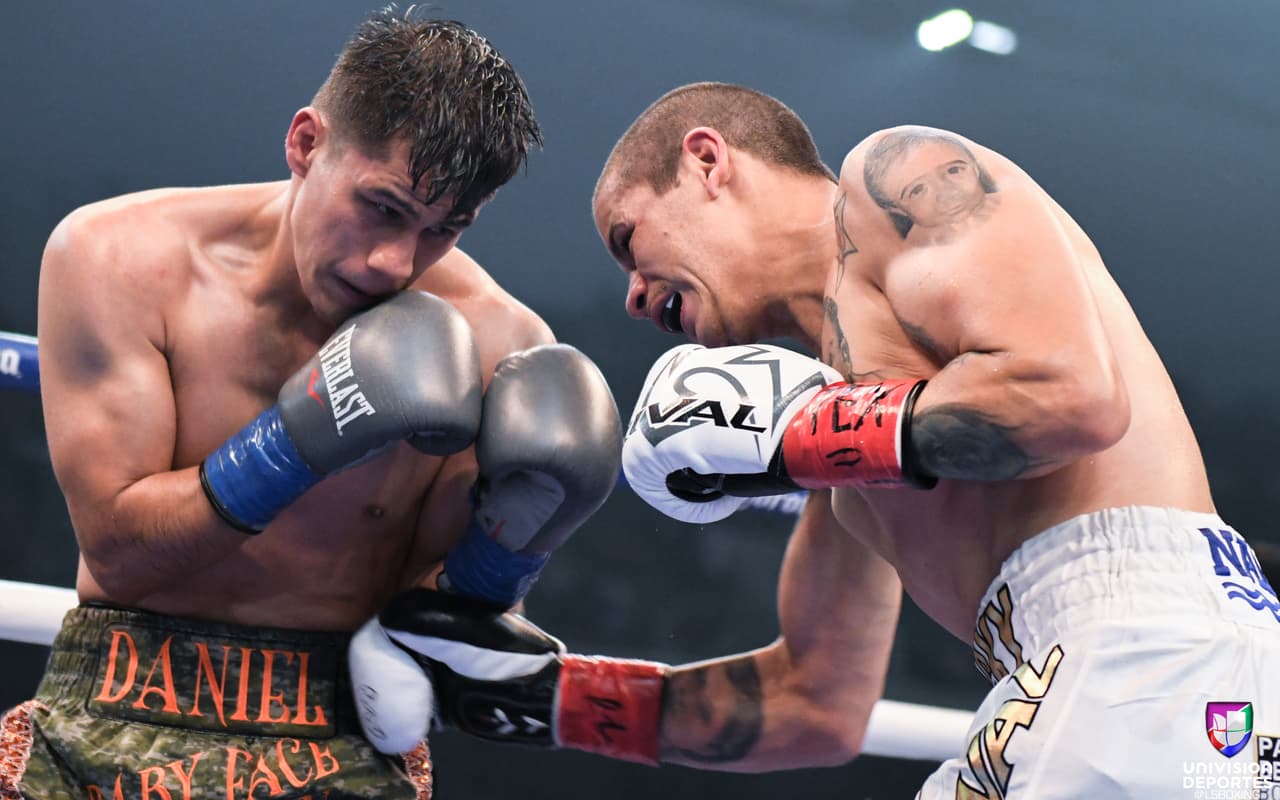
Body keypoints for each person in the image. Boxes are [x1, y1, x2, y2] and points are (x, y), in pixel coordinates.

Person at [355, 82, 1280, 797]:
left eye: (629, 239)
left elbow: (1070, 396)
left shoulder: (898, 185)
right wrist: (542, 698)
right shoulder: (848, 438)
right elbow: (815, 705)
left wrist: (795, 438)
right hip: (1111, 683)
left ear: (709, 162)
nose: (635, 296)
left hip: (1148, 644)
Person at [0, 8, 623, 800]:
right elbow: (120, 553)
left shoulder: (495, 339)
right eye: (384, 207)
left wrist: (512, 545)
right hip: (117, 690)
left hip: (338, 732)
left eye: (445, 230)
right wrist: (298, 442)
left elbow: (433, 628)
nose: (395, 262)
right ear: (305, 143)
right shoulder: (119, 260)